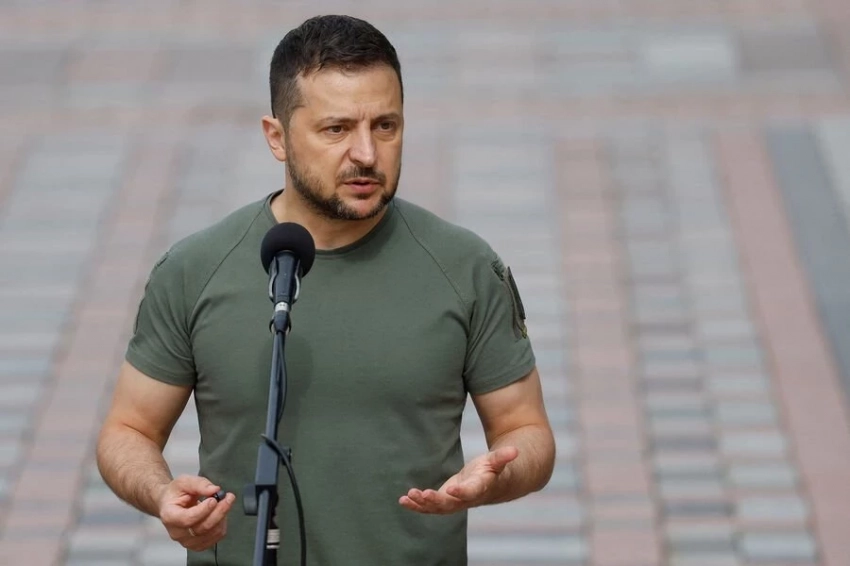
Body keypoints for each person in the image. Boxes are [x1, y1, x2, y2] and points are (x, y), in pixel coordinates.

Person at [96, 14, 556, 566]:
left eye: (385, 126)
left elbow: (527, 430)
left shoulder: (466, 268)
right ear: (277, 137)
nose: (366, 153)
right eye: (336, 129)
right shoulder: (195, 270)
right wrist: (161, 493)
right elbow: (128, 430)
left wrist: (494, 479)